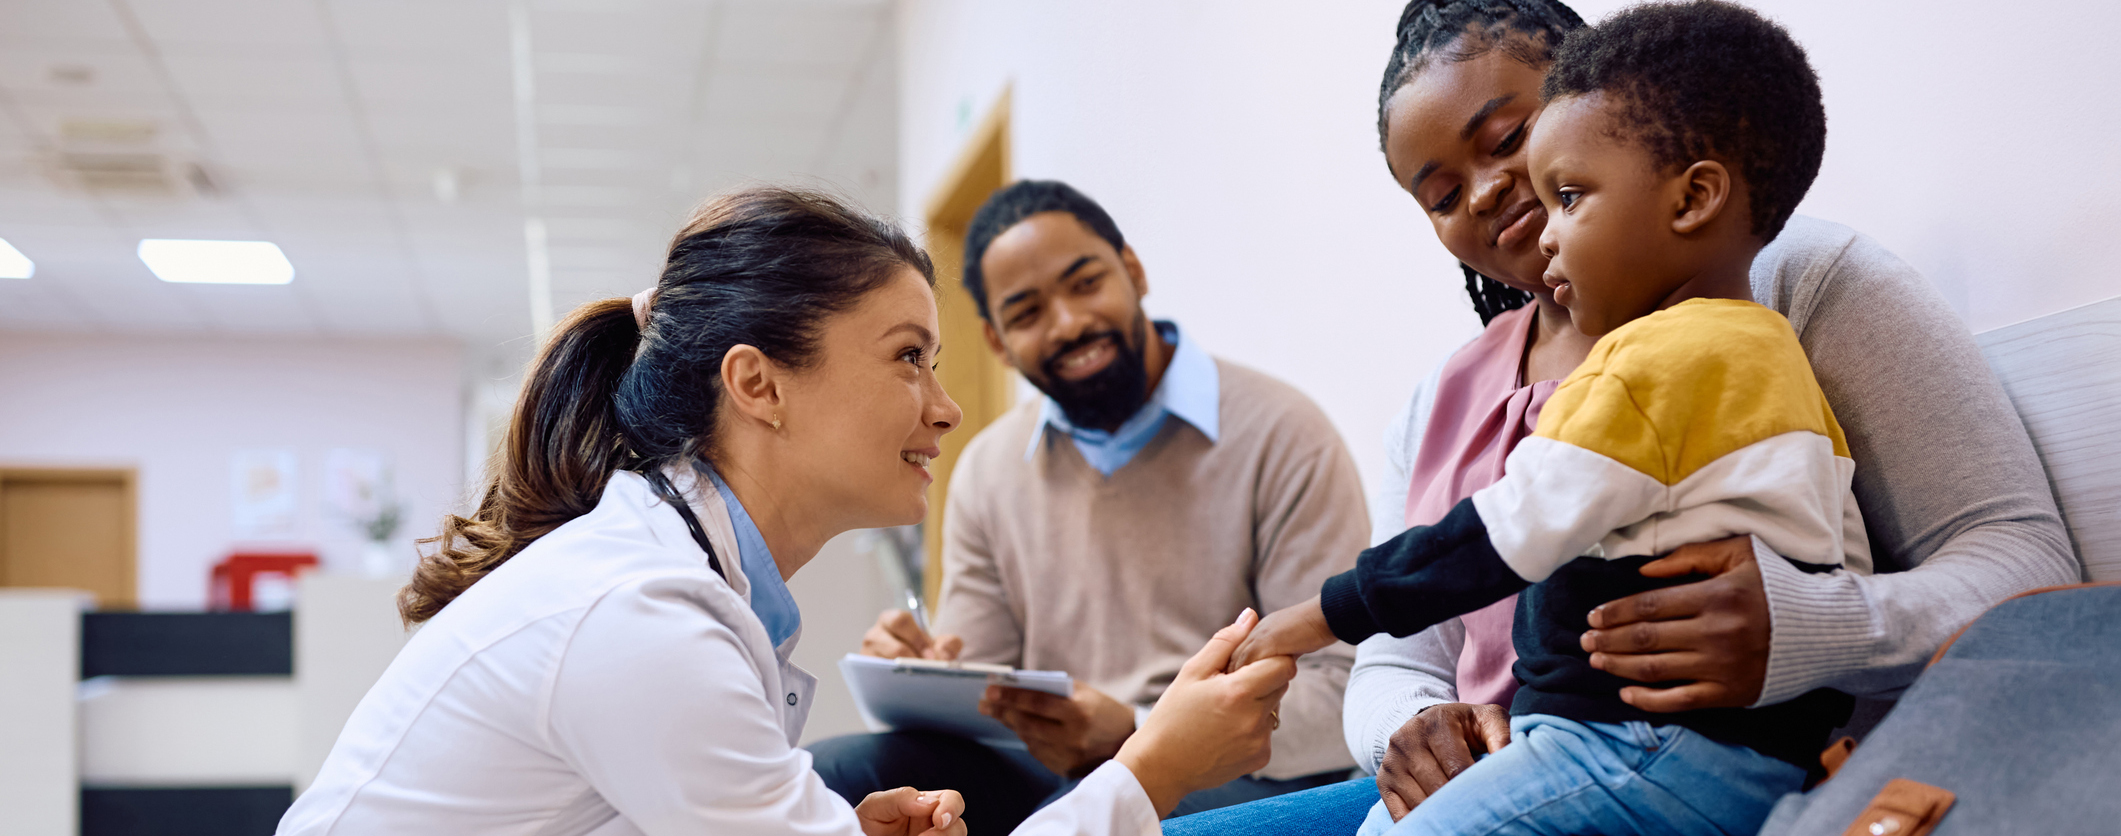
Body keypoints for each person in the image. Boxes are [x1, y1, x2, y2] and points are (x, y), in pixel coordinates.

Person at [1163, 0, 2076, 833]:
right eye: (1440, 195)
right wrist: (1410, 730)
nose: (1483, 192)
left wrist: (1806, 628)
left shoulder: (1795, 288)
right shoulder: (1444, 397)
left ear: (1595, 85)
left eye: (1509, 137)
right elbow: (1399, 658)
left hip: (1697, 766)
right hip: (1500, 771)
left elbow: (2024, 564)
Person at [275, 188, 1299, 836]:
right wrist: (1155, 766)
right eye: (908, 358)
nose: (944, 407)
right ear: (759, 385)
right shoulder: (643, 614)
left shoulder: (667, 582)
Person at [1233, 4, 1869, 832]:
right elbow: (1838, 542)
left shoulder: (1652, 361)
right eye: (1442, 193)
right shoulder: (1762, 349)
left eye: (1520, 153)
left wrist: (1311, 617)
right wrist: (1408, 728)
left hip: (1627, 748)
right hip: (1728, 759)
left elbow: (1504, 531)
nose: (1504, 195)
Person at [809, 180, 1370, 829]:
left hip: (1233, 767)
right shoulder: (989, 469)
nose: (1069, 324)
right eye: (1026, 313)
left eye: (1084, 284)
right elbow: (980, 692)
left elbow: (1338, 687)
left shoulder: (1281, 433)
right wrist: (921, 677)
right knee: (839, 776)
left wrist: (1133, 733)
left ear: (1132, 271)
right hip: (1050, 768)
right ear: (997, 342)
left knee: (1084, 810)